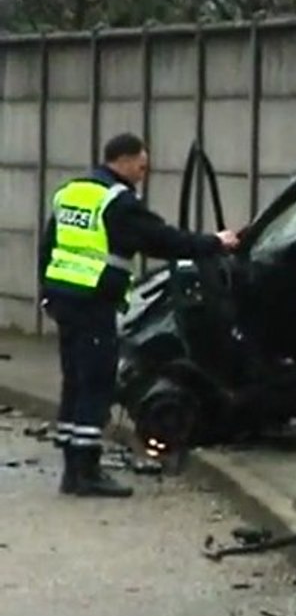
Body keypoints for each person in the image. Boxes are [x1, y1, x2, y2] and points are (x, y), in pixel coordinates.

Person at [39, 133, 240, 498]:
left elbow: (48, 245)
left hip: (65, 302)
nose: (143, 174)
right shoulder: (118, 202)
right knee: (97, 383)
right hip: (94, 303)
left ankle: (72, 465)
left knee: (75, 381)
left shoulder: (72, 192)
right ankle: (86, 472)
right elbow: (162, 239)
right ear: (125, 161)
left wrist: (46, 297)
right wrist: (213, 243)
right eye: (142, 167)